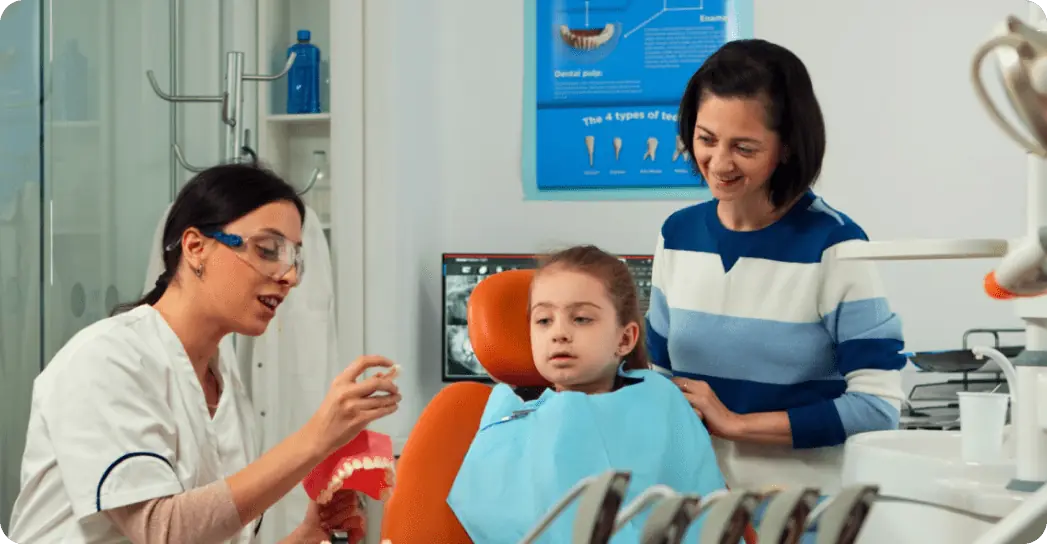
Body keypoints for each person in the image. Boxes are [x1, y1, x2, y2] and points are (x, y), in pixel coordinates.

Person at [8, 164, 401, 544]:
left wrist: (303, 538)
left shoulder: (226, 392)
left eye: (295, 258)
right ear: (195, 247)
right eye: (268, 249)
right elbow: (162, 530)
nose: (290, 276)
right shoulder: (106, 360)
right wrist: (317, 438)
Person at [646, 38, 908, 493]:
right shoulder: (677, 236)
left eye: (744, 148)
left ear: (786, 147)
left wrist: (737, 424)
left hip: (803, 510)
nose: (719, 163)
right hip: (697, 503)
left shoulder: (835, 246)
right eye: (706, 139)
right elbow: (659, 379)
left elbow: (878, 407)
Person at [447, 245, 727, 543]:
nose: (559, 333)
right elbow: (488, 514)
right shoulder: (505, 417)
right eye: (544, 320)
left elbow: (704, 518)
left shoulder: (660, 402)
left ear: (625, 338)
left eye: (581, 319)